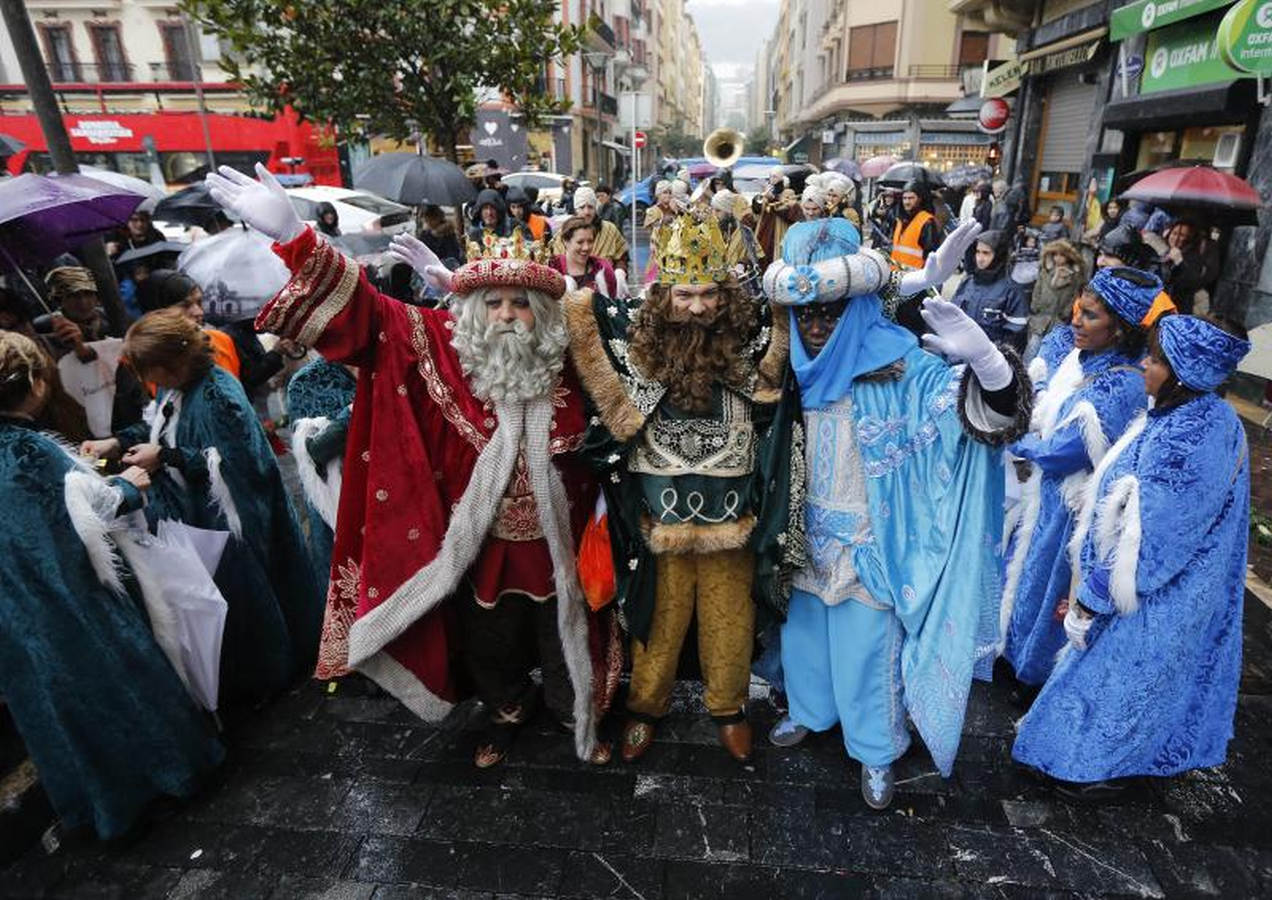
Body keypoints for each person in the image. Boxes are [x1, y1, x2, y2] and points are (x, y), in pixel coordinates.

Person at [206, 164, 616, 767]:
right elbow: (371, 316)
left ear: (543, 312)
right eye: (492, 302)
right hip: (481, 547)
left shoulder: (578, 352)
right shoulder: (443, 346)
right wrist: (296, 237)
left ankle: (573, 707)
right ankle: (507, 709)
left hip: (568, 545)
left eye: (521, 304)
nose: (506, 315)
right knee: (490, 639)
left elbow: (638, 336)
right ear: (470, 310)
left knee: (566, 633)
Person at [763, 219, 1031, 809]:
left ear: (857, 307)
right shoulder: (783, 369)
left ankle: (876, 747)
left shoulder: (904, 369)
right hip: (802, 538)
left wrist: (989, 364)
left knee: (866, 651)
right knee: (805, 640)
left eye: (831, 312)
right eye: (805, 314)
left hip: (871, 542)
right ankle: (810, 711)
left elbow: (985, 421)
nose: (816, 327)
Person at [563, 212, 793, 765]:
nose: (696, 307)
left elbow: (791, 314)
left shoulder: (749, 337)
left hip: (732, 512)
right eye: (685, 295)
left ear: (726, 295)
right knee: (659, 615)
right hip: (659, 511)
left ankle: (728, 707)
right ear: (665, 295)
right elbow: (584, 315)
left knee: (729, 615)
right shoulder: (641, 340)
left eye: (709, 294)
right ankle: (646, 706)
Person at [1013, 314, 1251, 797]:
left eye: (1157, 360)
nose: (1145, 364)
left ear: (1185, 372)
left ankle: (1090, 768)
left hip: (1157, 600)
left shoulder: (1192, 436)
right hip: (1153, 593)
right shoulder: (1185, 415)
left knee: (1118, 687)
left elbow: (1154, 544)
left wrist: (1093, 598)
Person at [0, 331, 224, 839]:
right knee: (113, 685)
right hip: (72, 601)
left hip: (14, 616)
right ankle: (159, 779)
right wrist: (129, 487)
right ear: (36, 383)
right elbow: (88, 514)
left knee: (49, 706)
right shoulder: (34, 451)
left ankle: (91, 803)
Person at [80, 308, 323, 705]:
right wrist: (117, 442)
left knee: (253, 602)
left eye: (148, 370)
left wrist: (166, 458)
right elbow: (161, 427)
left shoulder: (218, 394)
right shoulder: (176, 388)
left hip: (237, 526)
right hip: (205, 522)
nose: (145, 381)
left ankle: (273, 672)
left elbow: (241, 465)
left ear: (171, 364)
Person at [1000, 268, 1158, 693]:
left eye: (1090, 315)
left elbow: (1064, 451)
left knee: (1050, 589)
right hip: (1045, 498)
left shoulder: (1121, 384)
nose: (1076, 321)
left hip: (1071, 511)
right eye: (1077, 310)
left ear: (1119, 328)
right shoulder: (1084, 357)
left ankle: (1033, 674)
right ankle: (1014, 655)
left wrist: (1017, 440)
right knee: (1026, 579)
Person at [286, 356, 358, 667]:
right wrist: (353, 412)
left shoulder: (392, 358)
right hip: (342, 508)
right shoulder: (308, 382)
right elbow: (313, 451)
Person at [43, 266, 147, 438]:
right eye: (74, 296)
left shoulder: (115, 320)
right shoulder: (48, 333)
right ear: (60, 300)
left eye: (88, 294)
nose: (83, 302)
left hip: (126, 405)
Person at [136, 269, 241, 377]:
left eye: (199, 302)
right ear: (157, 311)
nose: (199, 312)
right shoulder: (140, 360)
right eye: (185, 306)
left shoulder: (220, 342)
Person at [950, 230, 1029, 353]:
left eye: (986, 253)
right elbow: (952, 315)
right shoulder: (968, 282)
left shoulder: (1012, 291)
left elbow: (1015, 337)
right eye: (978, 252)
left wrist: (995, 358)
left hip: (988, 358)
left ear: (999, 255)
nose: (980, 258)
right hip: (958, 353)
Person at [1026, 239, 1087, 361]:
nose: (1058, 258)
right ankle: (1024, 370)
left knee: (1048, 351)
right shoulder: (1046, 270)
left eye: (1062, 255)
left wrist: (1066, 312)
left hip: (1058, 319)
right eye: (1055, 254)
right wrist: (1035, 305)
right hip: (1040, 317)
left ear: (1068, 256)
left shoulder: (1074, 275)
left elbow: (1074, 296)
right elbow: (1038, 288)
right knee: (1032, 348)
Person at [555, 186, 628, 274]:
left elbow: (622, 255)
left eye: (590, 207)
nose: (587, 212)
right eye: (582, 207)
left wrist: (620, 271)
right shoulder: (565, 231)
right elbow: (556, 260)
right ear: (575, 210)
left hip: (605, 279)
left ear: (595, 208)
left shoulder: (610, 229)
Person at [712, 189, 765, 299]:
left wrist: (742, 265)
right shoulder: (715, 230)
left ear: (728, 211)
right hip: (721, 285)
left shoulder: (745, 231)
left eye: (718, 210)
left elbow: (757, 257)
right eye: (713, 210)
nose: (714, 214)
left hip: (743, 288)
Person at [1159, 219, 1219, 315]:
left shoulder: (1193, 258)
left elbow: (1192, 282)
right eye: (1174, 233)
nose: (1176, 238)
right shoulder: (1165, 254)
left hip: (1177, 308)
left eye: (1182, 235)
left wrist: (1180, 262)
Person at [549, 216, 619, 297]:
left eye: (590, 241)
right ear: (566, 242)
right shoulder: (552, 266)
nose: (586, 247)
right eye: (580, 242)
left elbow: (612, 301)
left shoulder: (603, 268)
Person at [890, 181, 940, 271]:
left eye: (911, 198)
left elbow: (931, 253)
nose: (907, 202)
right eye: (904, 198)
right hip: (897, 272)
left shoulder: (926, 221)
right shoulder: (900, 220)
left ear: (919, 199)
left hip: (915, 274)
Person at [754, 171, 802, 263]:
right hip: (767, 231)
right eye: (771, 176)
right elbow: (757, 210)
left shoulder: (788, 193)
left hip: (780, 232)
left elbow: (789, 212)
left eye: (775, 177)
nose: (772, 179)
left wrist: (773, 198)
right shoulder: (769, 192)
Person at [417, 204, 463, 269]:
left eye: (430, 219)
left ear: (438, 218)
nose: (428, 222)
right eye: (426, 220)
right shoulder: (425, 234)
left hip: (446, 267)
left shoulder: (448, 233)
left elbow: (453, 255)